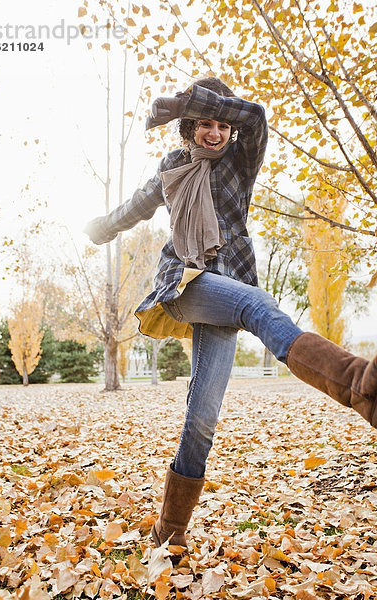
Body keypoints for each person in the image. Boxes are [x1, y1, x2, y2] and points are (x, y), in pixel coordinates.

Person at [85, 77, 377, 552]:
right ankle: (359, 383)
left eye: (222, 124)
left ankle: (168, 533)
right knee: (257, 304)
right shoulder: (174, 167)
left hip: (230, 283)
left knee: (202, 417)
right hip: (185, 282)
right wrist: (100, 227)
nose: (215, 132)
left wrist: (188, 101)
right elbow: (136, 206)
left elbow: (255, 116)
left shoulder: (240, 161)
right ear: (189, 128)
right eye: (204, 123)